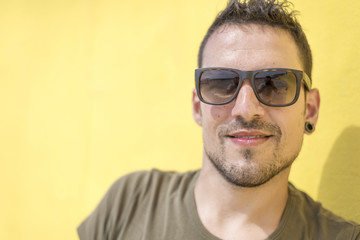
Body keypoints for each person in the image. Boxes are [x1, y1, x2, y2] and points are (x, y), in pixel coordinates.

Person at [78, 0, 360, 239]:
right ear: (197, 107)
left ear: (309, 109)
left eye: (274, 84)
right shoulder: (130, 202)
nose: (246, 109)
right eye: (222, 83)